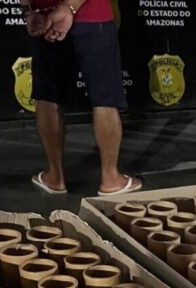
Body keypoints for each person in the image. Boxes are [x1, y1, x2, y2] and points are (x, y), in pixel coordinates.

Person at [21, 0, 140, 196]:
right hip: (93, 15)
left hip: (46, 15)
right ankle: (111, 179)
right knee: (104, 99)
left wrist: (29, 11)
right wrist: (69, 8)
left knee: (48, 97)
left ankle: (55, 177)